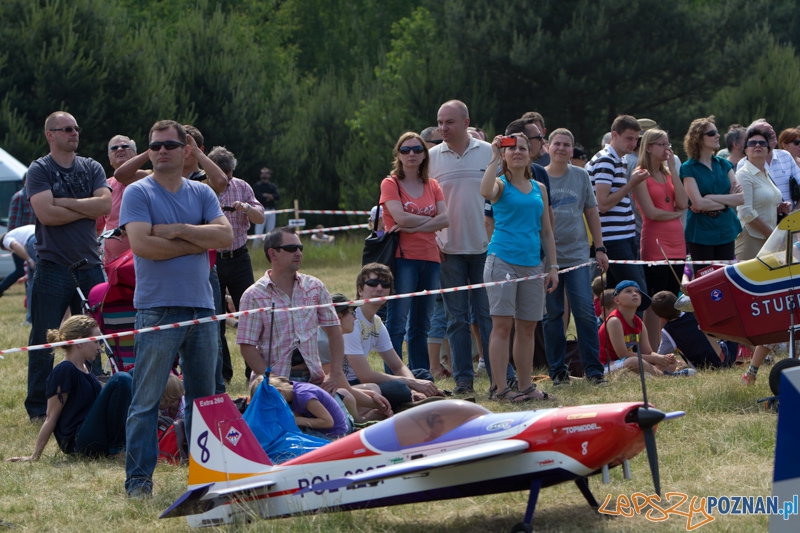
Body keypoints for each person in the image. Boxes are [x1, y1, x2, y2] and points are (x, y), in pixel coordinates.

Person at [121, 119, 233, 499]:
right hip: (156, 309)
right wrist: (197, 241)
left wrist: (177, 229)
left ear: (186, 149)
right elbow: (143, 247)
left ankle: (213, 479)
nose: (161, 152)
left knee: (208, 400)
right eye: (154, 147)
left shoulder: (201, 193)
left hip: (202, 307)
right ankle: (139, 484)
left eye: (169, 145)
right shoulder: (138, 192)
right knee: (145, 402)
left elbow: (226, 235)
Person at [25, 111, 112, 420]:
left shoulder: (92, 167)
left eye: (76, 128)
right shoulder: (40, 169)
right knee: (43, 339)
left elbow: (104, 205)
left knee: (95, 333)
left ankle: (99, 394)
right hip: (52, 266)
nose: (74, 132)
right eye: (67, 129)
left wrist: (63, 202)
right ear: (51, 135)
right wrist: (83, 207)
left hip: (89, 264)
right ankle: (38, 407)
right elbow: (46, 215)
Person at [480, 132, 558, 402]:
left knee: (527, 328)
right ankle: (500, 388)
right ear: (504, 154)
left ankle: (526, 386)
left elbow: (546, 232)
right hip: (502, 261)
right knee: (502, 326)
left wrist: (553, 266)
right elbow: (484, 191)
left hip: (533, 265)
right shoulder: (501, 185)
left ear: (530, 153)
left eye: (522, 148)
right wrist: (492, 156)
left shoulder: (540, 188)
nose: (517, 153)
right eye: (511, 149)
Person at [428, 100, 495, 394]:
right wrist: (432, 240)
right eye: (440, 122)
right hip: (448, 250)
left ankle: (499, 377)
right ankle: (463, 379)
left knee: (489, 316)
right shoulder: (430, 158)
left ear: (466, 122)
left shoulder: (491, 151)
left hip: (486, 249)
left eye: (449, 122)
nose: (443, 127)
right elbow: (424, 204)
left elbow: (503, 195)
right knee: (456, 320)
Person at [5, 316, 132, 461]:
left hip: (95, 433)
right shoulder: (64, 370)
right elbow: (51, 417)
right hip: (79, 441)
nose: (99, 347)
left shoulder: (86, 366)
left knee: (132, 375)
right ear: (79, 342)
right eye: (96, 341)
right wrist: (34, 456)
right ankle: (117, 450)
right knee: (122, 378)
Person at [237, 226, 346, 393]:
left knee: (341, 416)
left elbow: (334, 331)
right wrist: (274, 382)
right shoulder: (253, 296)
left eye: (300, 248)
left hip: (315, 381)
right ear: (273, 254)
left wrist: (334, 375)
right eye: (291, 248)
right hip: (273, 385)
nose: (299, 253)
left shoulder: (315, 287)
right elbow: (247, 347)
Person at [542, 128, 609, 387]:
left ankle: (594, 370)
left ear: (572, 150)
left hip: (579, 256)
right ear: (548, 147)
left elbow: (592, 212)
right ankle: (557, 371)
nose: (561, 148)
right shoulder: (538, 176)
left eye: (566, 145)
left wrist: (600, 248)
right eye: (557, 143)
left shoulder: (581, 175)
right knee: (553, 315)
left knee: (584, 312)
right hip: (549, 258)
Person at [381, 132, 448, 371]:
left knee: (422, 324)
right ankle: (396, 376)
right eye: (406, 149)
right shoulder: (391, 183)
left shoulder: (433, 184)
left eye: (417, 150)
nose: (412, 154)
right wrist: (429, 219)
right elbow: (398, 217)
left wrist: (413, 223)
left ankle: (420, 375)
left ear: (424, 155)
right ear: (398, 154)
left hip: (430, 259)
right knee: (397, 322)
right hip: (402, 259)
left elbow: (445, 219)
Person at [342, 263, 442, 413]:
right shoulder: (352, 321)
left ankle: (410, 401)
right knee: (401, 387)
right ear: (360, 290)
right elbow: (365, 375)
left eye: (385, 284)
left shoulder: (376, 322)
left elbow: (398, 366)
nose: (379, 288)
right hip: (351, 385)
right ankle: (406, 402)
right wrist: (410, 385)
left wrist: (414, 386)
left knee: (423, 375)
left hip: (367, 383)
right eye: (373, 283)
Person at [208, 146, 265, 384]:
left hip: (239, 257)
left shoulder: (242, 186)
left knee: (249, 315)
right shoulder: (202, 188)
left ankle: (253, 372)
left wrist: (248, 208)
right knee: (216, 318)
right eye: (222, 174)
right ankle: (223, 373)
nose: (226, 179)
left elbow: (260, 217)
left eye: (229, 173)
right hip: (212, 260)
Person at [632, 128, 688, 349]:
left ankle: (669, 345)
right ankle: (652, 349)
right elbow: (651, 213)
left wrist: (673, 168)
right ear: (649, 147)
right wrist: (675, 214)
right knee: (656, 299)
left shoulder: (667, 173)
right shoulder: (640, 174)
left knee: (672, 298)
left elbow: (683, 203)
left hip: (677, 240)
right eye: (662, 145)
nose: (667, 149)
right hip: (655, 241)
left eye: (668, 144)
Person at [586, 115, 649, 293]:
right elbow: (603, 204)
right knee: (637, 293)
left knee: (617, 295)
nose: (633, 143)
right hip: (613, 239)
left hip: (623, 236)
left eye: (636, 139)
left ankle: (612, 322)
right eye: (629, 138)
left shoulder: (619, 159)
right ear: (615, 135)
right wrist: (631, 184)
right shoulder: (606, 160)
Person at [679, 116, 743, 271]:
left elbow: (740, 198)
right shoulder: (688, 168)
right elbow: (698, 204)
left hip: (726, 227)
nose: (718, 135)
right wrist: (728, 199)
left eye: (717, 132)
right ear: (698, 139)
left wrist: (709, 198)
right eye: (711, 133)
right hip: (701, 231)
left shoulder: (724, 164)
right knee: (705, 279)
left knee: (725, 277)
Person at [598, 281, 690, 377]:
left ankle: (655, 374)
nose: (634, 293)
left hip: (626, 363)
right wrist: (654, 359)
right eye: (628, 291)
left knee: (670, 363)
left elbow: (648, 352)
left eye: (637, 292)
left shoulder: (638, 322)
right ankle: (666, 376)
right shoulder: (614, 321)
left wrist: (662, 357)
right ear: (617, 300)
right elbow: (623, 354)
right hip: (606, 365)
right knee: (635, 361)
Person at [650, 291, 736, 369]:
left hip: (701, 367)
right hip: (725, 358)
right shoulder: (693, 313)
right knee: (736, 337)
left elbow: (661, 355)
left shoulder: (668, 331)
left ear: (661, 318)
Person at [734, 127, 785, 260]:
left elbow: (762, 203)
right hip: (751, 240)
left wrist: (778, 208)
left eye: (762, 143)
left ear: (768, 149)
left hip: (769, 240)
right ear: (745, 150)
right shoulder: (743, 174)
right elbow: (746, 212)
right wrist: (773, 236)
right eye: (752, 143)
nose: (757, 145)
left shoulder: (766, 174)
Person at [102, 135, 150, 264]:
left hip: (147, 259)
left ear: (136, 156)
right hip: (114, 265)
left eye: (125, 146)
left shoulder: (149, 179)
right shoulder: (104, 187)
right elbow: (97, 227)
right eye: (114, 148)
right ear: (110, 160)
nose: (119, 149)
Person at [736, 120, 800, 212]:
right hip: (761, 222)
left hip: (790, 222)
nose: (772, 132)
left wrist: (795, 212)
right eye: (766, 130)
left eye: (771, 128)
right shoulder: (744, 164)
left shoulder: (785, 156)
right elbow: (746, 206)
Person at [266, 375, 350, 440]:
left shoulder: (303, 396)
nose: (272, 406)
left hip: (333, 434)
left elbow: (328, 422)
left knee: (288, 442)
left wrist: (296, 420)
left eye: (270, 402)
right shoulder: (291, 390)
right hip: (319, 429)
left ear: (279, 391)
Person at [252, 167, 280, 246]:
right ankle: (255, 251)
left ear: (269, 175)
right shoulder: (258, 185)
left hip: (271, 210)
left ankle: (269, 249)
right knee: (258, 232)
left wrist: (266, 195)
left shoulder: (272, 186)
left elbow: (277, 196)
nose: (264, 174)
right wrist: (271, 196)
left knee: (271, 233)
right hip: (261, 211)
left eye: (266, 173)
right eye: (262, 173)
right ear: (260, 175)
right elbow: (259, 197)